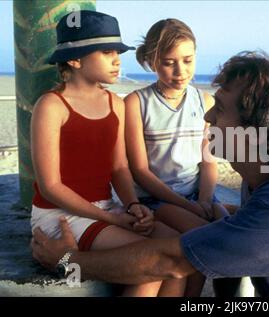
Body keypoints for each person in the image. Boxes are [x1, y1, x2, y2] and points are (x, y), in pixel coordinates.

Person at [32, 51, 269, 297]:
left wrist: (66, 261)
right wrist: (226, 216)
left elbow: (166, 261)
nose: (209, 119)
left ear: (255, 130)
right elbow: (255, 225)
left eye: (221, 108)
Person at [30, 10, 186, 297]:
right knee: (150, 262)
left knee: (182, 248)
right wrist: (114, 220)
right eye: (106, 52)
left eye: (118, 52)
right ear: (75, 60)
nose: (117, 60)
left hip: (106, 209)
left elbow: (119, 168)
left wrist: (131, 206)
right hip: (60, 215)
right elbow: (51, 188)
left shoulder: (116, 104)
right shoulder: (51, 106)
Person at [124, 18, 218, 235]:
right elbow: (139, 171)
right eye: (168, 63)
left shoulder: (205, 102)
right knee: (204, 234)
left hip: (197, 195)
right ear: (152, 61)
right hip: (156, 198)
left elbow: (209, 161)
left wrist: (204, 200)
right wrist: (187, 206)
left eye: (188, 60)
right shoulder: (136, 103)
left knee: (229, 227)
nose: (180, 71)